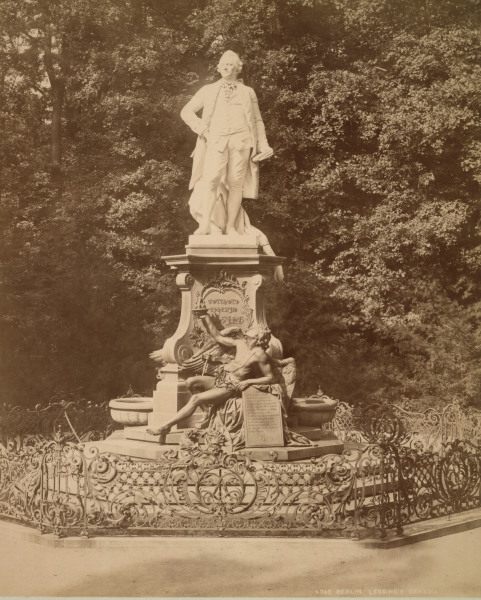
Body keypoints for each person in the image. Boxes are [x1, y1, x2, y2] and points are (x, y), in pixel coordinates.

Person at [180, 50, 273, 236]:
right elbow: (186, 112)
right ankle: (205, 224)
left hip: (241, 141)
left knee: (236, 184)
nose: (226, 67)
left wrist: (264, 145)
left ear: (238, 68)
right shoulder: (208, 90)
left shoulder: (248, 92)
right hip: (216, 141)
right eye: (223, 64)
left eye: (230, 64)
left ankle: (231, 227)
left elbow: (257, 121)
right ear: (218, 67)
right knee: (211, 180)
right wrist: (203, 130)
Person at [147, 311, 275, 443]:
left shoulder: (260, 355)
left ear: (259, 340)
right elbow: (218, 336)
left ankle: (165, 426)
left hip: (231, 386)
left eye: (250, 337)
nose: (246, 338)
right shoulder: (240, 344)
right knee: (191, 382)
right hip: (221, 378)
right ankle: (207, 413)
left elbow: (270, 378)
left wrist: (248, 381)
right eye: (246, 336)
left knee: (196, 398)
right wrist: (204, 316)